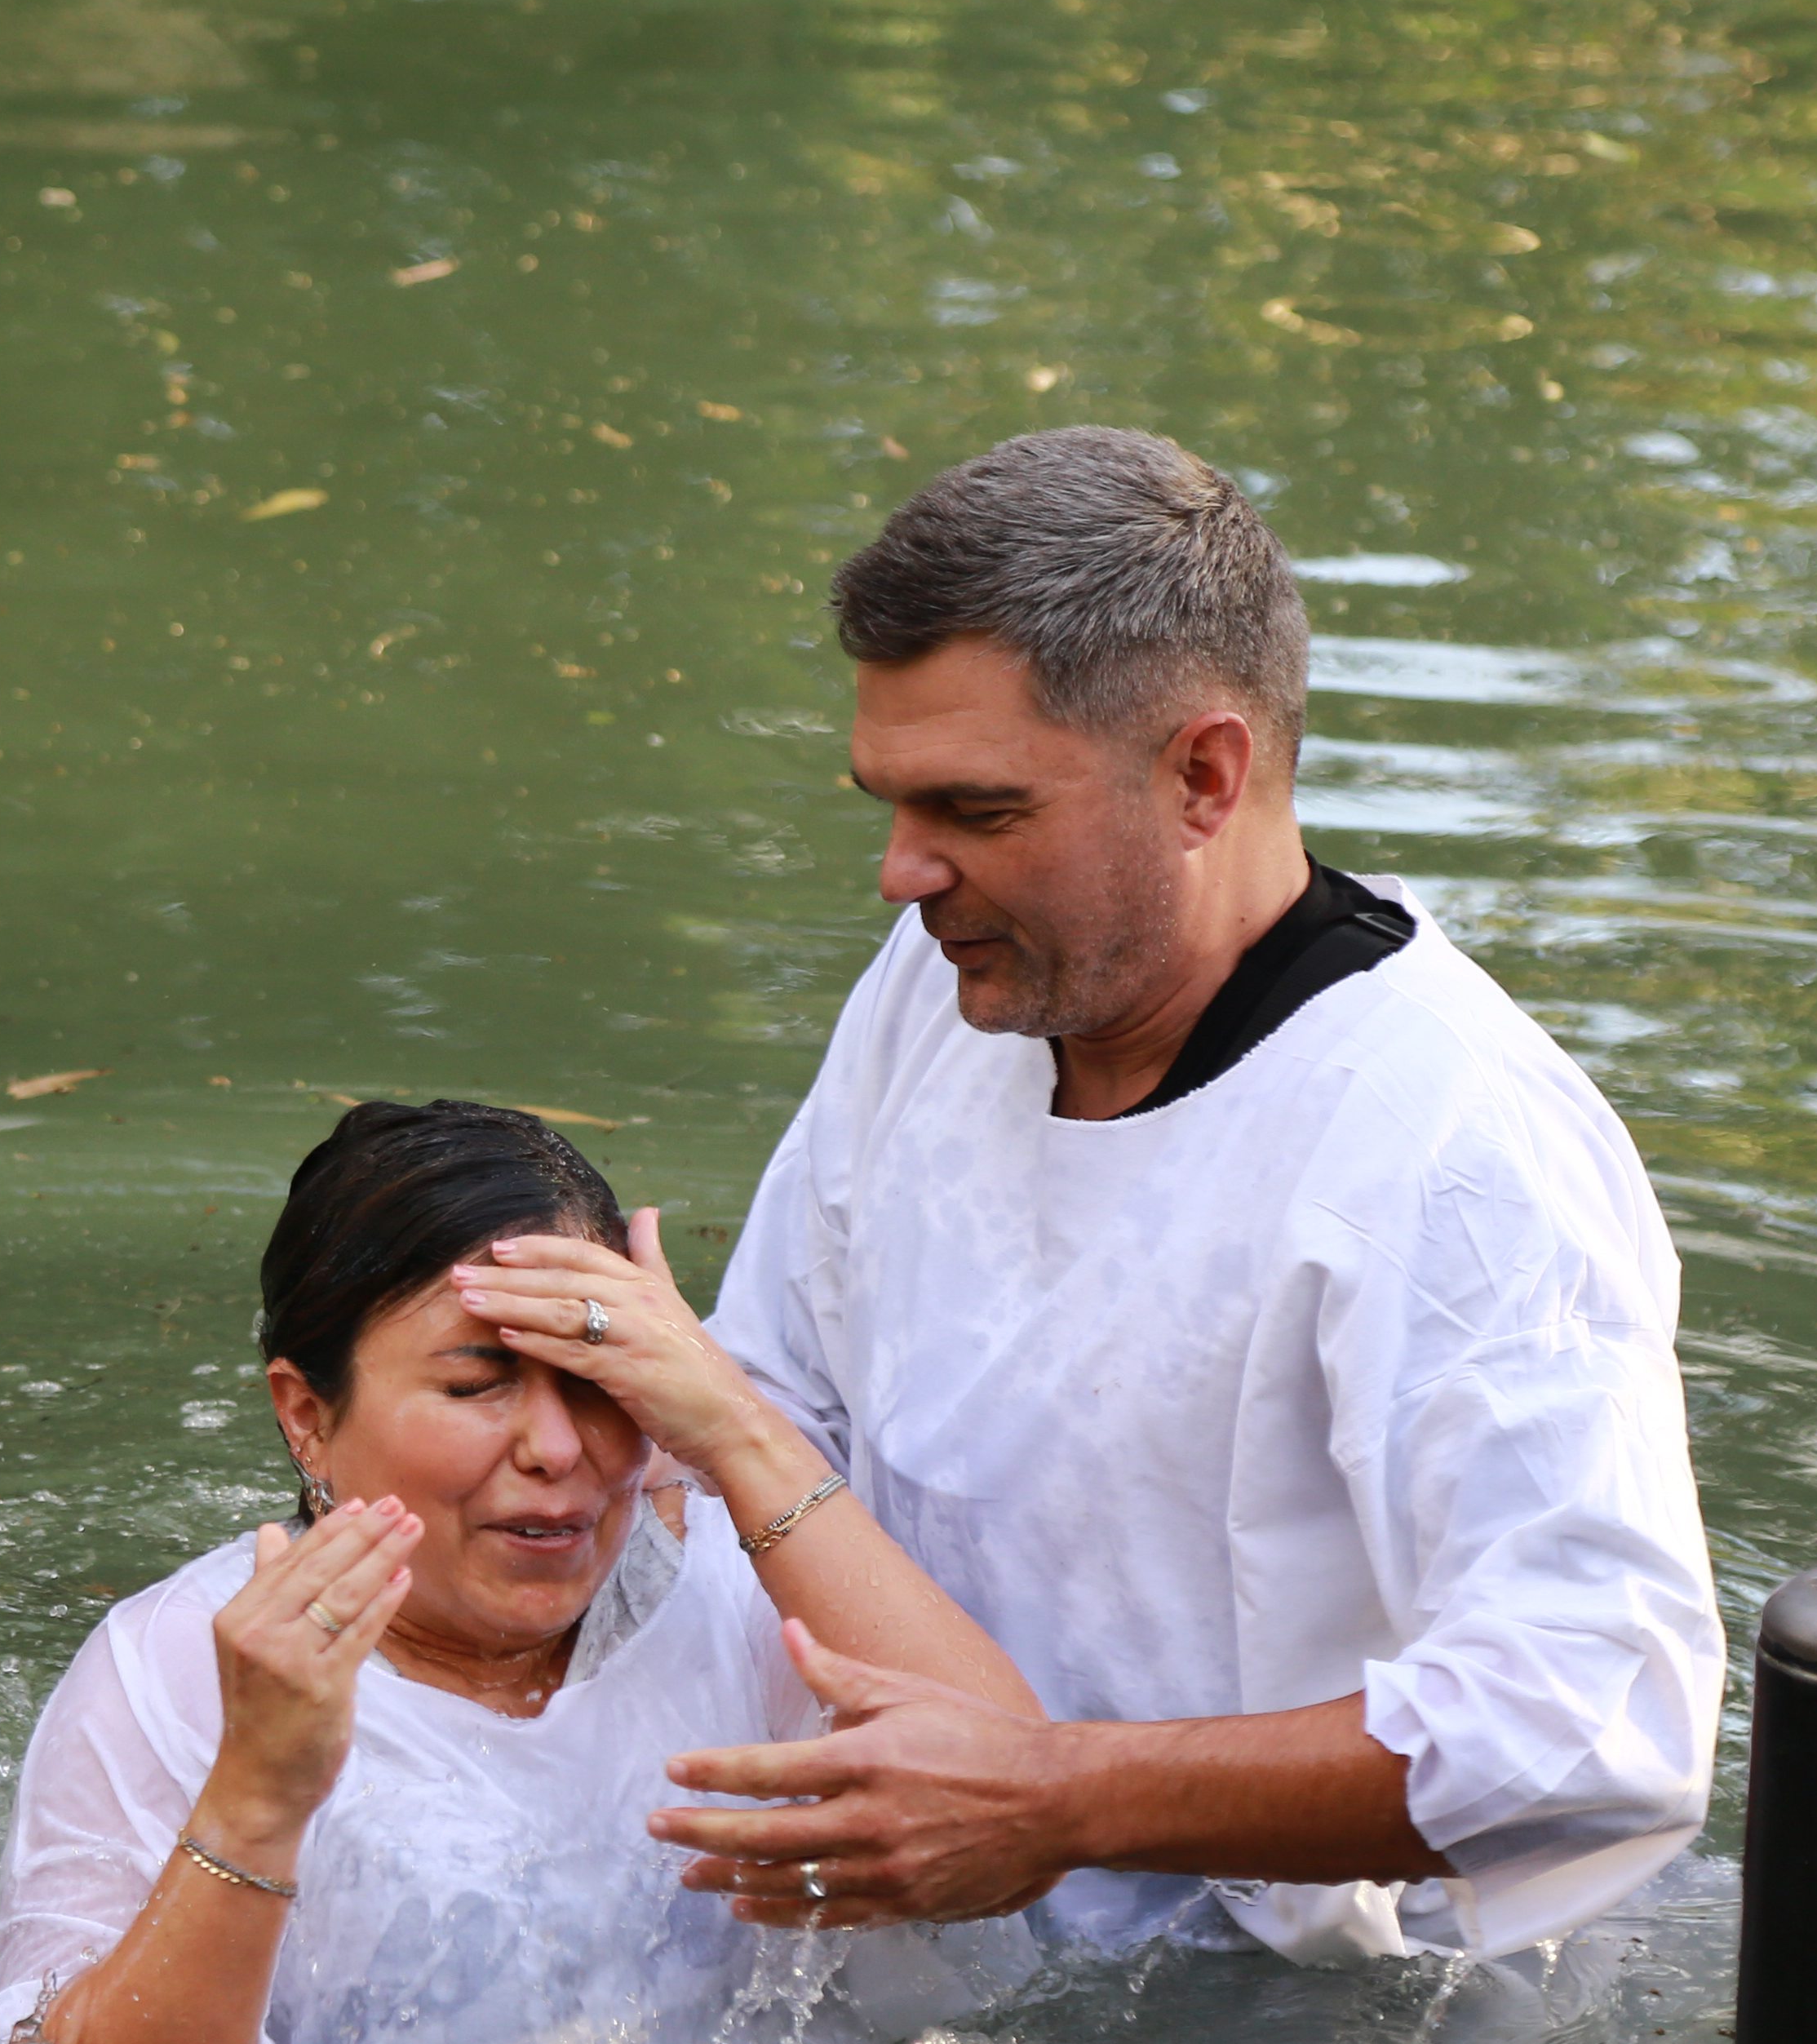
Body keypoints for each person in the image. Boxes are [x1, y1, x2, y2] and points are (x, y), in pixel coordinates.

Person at [538, 424, 1722, 1964]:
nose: (901, 871)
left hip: (1319, 2039)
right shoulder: (942, 983)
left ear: (1203, 776)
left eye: (978, 811)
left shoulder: (1454, 1145)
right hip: (922, 1929)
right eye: (888, 803)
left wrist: (1060, 1802)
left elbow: (1594, 1717)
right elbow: (770, 1406)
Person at [0, 1099, 1043, 2044]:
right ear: (306, 1418)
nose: (556, 1450)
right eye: (477, 1386)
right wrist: (256, 1800)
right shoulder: (178, 1672)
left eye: (596, 1377)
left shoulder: (758, 1581)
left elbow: (1028, 1816)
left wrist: (737, 1434)